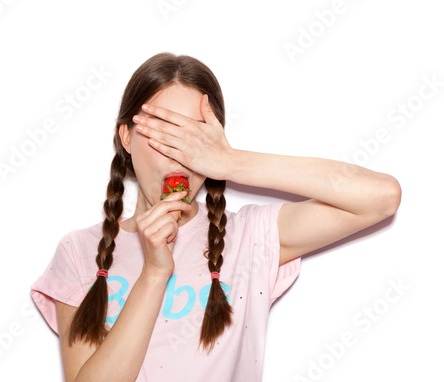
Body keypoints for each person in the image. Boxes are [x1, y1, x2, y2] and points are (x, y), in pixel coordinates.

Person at [31, 52, 402, 382]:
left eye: (195, 139)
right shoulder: (80, 252)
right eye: (165, 134)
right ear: (127, 137)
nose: (180, 155)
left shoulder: (249, 238)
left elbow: (380, 197)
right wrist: (155, 274)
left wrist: (230, 162)